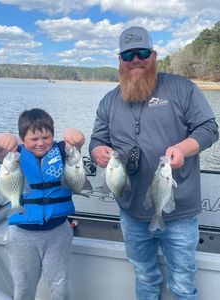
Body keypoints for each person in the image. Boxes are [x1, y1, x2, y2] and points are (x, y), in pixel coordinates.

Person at [89, 26, 219, 300]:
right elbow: (96, 139)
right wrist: (98, 150)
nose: (135, 59)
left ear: (154, 55)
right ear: (120, 60)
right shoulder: (109, 100)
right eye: (128, 54)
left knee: (183, 286)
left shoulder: (181, 88)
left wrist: (183, 148)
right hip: (131, 212)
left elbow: (209, 128)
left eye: (142, 52)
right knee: (145, 278)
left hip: (180, 213)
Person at [0, 108, 85, 300]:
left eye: (46, 137)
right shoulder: (13, 155)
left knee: (60, 286)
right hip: (22, 235)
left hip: (58, 232)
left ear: (53, 135)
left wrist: (75, 135)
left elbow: (78, 142)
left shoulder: (62, 151)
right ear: (21, 139)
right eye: (34, 139)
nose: (41, 143)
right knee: (24, 287)